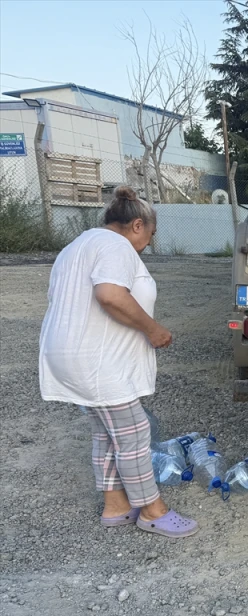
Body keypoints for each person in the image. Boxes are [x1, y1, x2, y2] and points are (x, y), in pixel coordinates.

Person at [39, 187, 197, 538]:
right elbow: (109, 294)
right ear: (137, 225)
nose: (149, 245)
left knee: (107, 433)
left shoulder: (76, 246)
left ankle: (116, 506)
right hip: (96, 362)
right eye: (151, 236)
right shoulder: (116, 245)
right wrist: (153, 329)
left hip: (71, 356)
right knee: (134, 432)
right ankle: (152, 510)